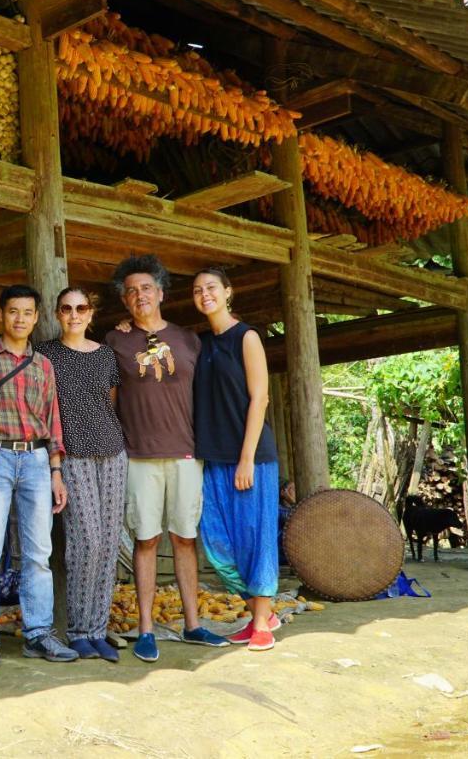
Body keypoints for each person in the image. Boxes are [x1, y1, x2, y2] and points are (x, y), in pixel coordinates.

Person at [0, 286, 128, 662]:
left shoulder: (104, 355)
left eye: (82, 308)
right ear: (55, 315)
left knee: (104, 545)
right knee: (81, 542)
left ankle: (94, 629)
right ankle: (71, 630)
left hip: (99, 452)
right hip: (60, 455)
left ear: (91, 313)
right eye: (67, 308)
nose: (74, 314)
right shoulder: (45, 355)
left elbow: (107, 404)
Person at [105, 255, 229, 663]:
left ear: (160, 293)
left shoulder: (189, 339)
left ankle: (192, 624)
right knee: (145, 540)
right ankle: (145, 628)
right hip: (138, 455)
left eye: (146, 288)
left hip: (185, 453)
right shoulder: (115, 341)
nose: (139, 295)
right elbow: (109, 400)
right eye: (131, 291)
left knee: (184, 538)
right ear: (125, 302)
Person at [0, 284, 77, 670]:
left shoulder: (43, 365)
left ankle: (39, 634)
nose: (20, 319)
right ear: (0, 315)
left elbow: (53, 421)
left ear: (37, 317)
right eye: (12, 311)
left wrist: (56, 471)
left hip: (37, 462)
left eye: (27, 312)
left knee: (39, 555)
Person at [191, 267, 281, 650]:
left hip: (252, 458)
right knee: (217, 545)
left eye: (211, 287)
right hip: (213, 459)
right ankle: (261, 610)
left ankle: (260, 623)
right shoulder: (200, 344)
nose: (204, 294)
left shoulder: (247, 337)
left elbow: (259, 398)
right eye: (197, 290)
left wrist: (246, 458)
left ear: (228, 291)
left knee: (256, 539)